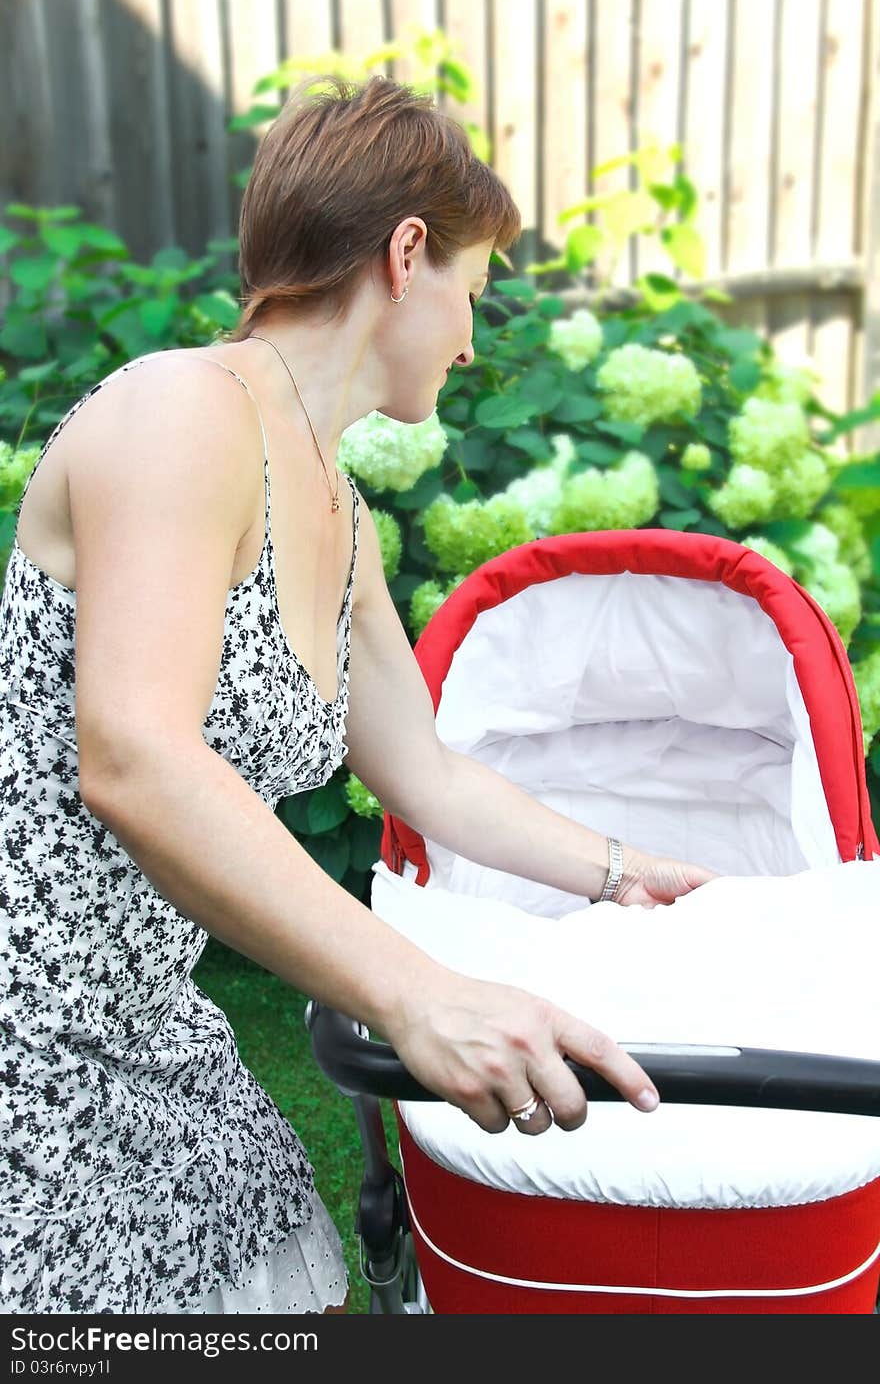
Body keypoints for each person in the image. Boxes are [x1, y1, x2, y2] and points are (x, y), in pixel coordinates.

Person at [0, 73, 717, 1315]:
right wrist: (414, 991)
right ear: (405, 255)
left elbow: (424, 773)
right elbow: (131, 753)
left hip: (145, 1022)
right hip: (26, 1038)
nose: (472, 340)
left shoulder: (342, 515)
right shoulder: (183, 413)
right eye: (472, 293)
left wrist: (627, 871)